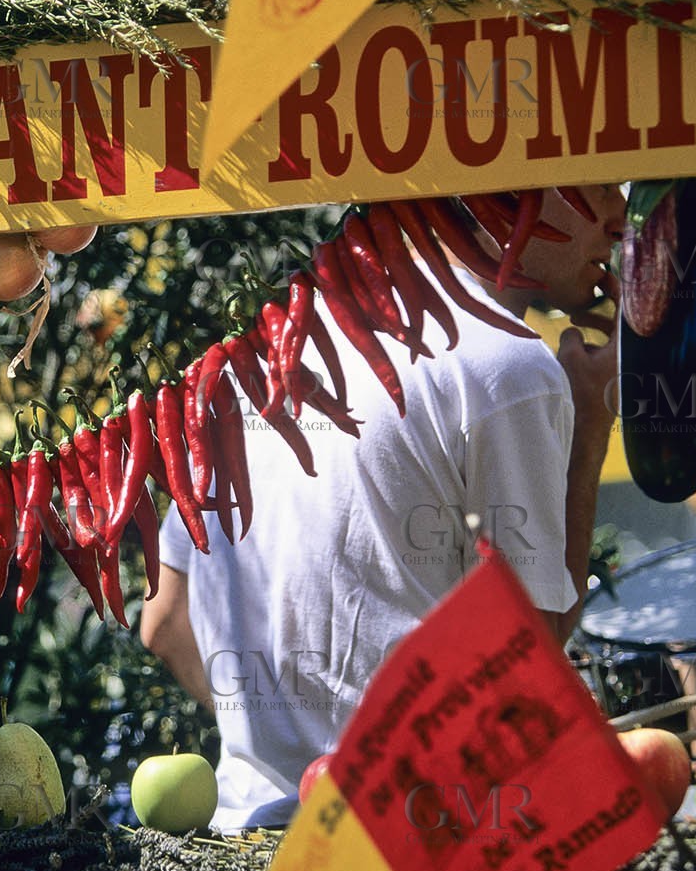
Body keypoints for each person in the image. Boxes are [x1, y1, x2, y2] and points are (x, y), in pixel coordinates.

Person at [140, 185, 627, 831]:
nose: (620, 221)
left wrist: (291, 744)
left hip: (240, 837)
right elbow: (528, 648)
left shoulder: (267, 355)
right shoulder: (507, 366)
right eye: (594, 187)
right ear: (509, 195)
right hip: (413, 845)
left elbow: (165, 622)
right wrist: (592, 416)